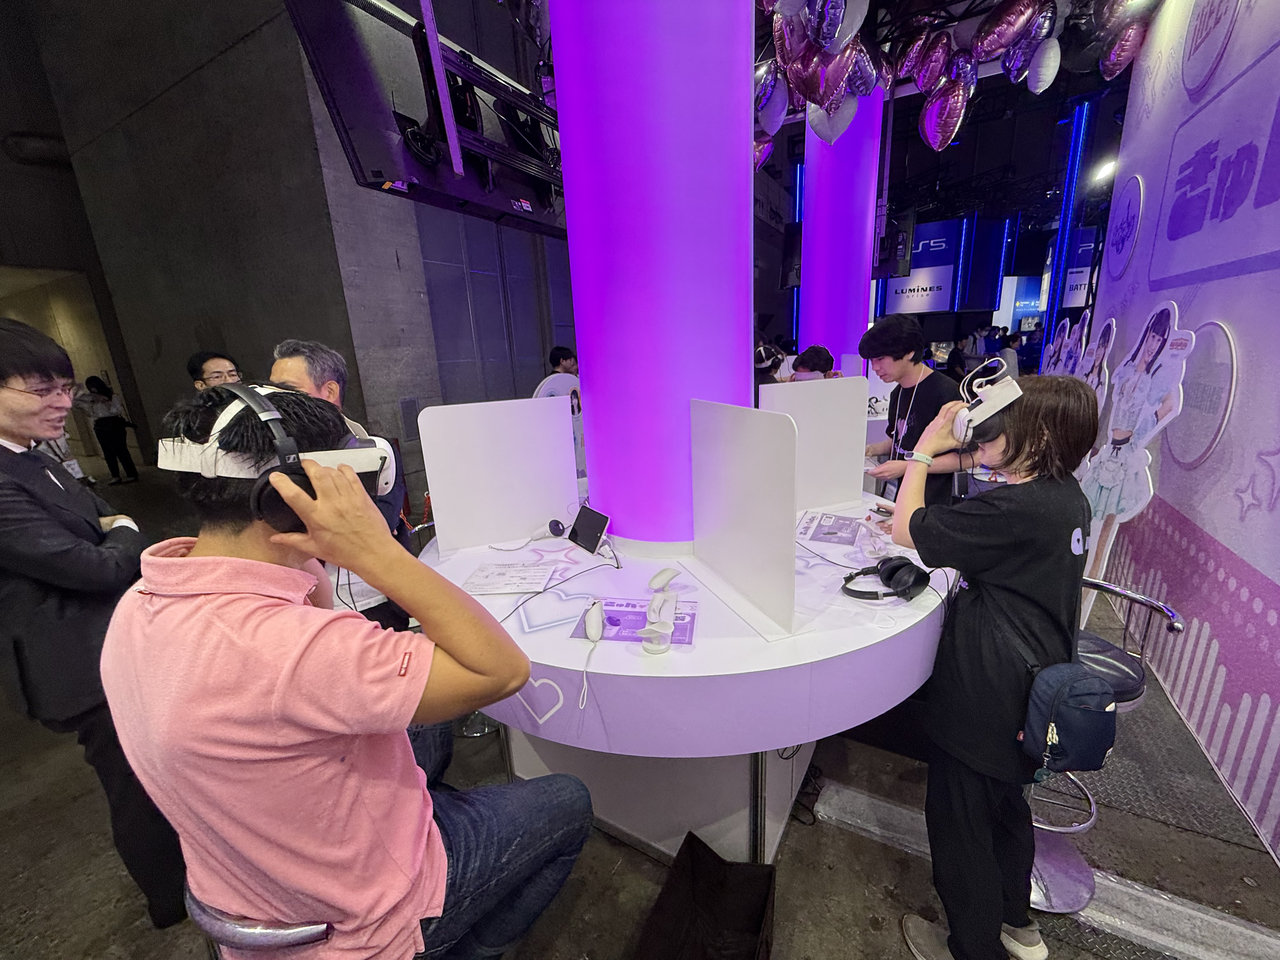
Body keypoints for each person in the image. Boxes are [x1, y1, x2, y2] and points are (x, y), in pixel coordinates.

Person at [100, 386, 593, 959]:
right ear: (289, 497)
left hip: (248, 878)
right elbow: (502, 671)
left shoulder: (141, 597)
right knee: (569, 801)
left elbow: (311, 628)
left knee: (428, 732)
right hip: (360, 917)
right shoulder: (296, 649)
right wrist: (376, 552)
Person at [889, 375, 1098, 960]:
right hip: (1032, 686)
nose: (986, 435)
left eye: (1002, 426)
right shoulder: (1066, 497)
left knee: (960, 827)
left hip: (987, 692)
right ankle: (1015, 924)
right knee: (1005, 812)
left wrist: (923, 449)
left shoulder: (1016, 508)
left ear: (1038, 437)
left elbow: (906, 529)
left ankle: (972, 947)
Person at [0, 318, 186, 928]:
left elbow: (105, 516)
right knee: (136, 788)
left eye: (66, 388)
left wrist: (116, 532)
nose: (62, 403)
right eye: (41, 390)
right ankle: (173, 904)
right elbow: (95, 564)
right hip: (75, 660)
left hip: (111, 639)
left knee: (161, 774)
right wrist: (124, 532)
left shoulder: (35, 458)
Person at [269, 339, 451, 788]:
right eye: (270, 389)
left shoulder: (371, 451)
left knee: (401, 716)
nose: (273, 402)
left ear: (329, 391)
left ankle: (417, 792)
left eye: (287, 389)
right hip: (301, 611)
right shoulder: (271, 457)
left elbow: (375, 530)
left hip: (375, 604)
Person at [1080, 308, 1178, 581]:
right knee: (1088, 527)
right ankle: (1077, 586)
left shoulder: (1157, 376)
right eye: (1152, 336)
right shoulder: (1126, 369)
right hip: (1109, 452)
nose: (1153, 343)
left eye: (1159, 340)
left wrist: (1142, 432)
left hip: (1124, 459)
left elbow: (1170, 404)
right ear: (1146, 335)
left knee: (1103, 536)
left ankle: (1088, 590)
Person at [860, 314, 961, 505]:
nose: (874, 368)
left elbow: (970, 457)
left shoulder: (945, 392)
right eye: (872, 360)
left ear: (909, 352)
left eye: (880, 359)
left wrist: (908, 467)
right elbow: (901, 439)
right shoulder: (897, 393)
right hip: (896, 500)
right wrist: (871, 450)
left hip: (929, 503)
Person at [78, 376, 138, 484]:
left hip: (114, 423)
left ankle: (131, 473)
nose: (92, 389)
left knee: (121, 450)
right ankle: (115, 475)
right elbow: (83, 406)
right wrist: (92, 400)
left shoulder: (113, 396)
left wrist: (106, 402)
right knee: (108, 452)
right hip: (101, 425)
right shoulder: (91, 399)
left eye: (93, 386)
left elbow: (117, 411)